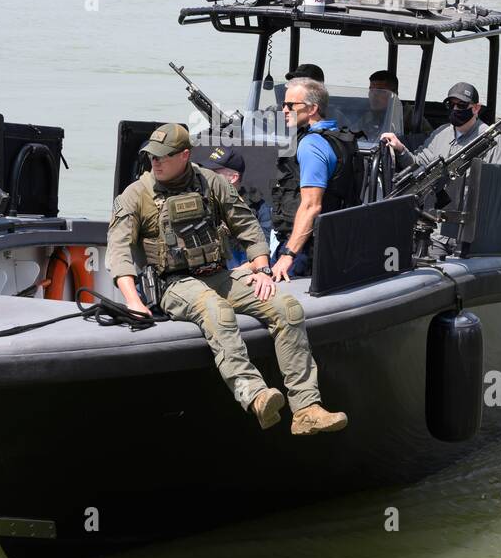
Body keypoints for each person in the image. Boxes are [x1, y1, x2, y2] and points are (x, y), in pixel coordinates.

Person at [107, 123, 347, 435]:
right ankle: (256, 396)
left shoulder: (210, 183)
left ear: (184, 155)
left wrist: (261, 269)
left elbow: (247, 226)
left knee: (287, 309)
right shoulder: (136, 195)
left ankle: (306, 409)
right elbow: (119, 251)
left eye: (163, 156)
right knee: (216, 312)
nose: (156, 162)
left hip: (218, 274)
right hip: (173, 284)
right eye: (152, 156)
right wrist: (133, 301)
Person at [379, 81, 501, 256]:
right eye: (451, 104)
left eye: (462, 105)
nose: (456, 109)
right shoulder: (441, 133)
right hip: (438, 231)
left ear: (476, 108)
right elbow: (419, 164)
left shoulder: (490, 140)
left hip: (471, 233)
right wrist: (400, 149)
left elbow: (498, 190)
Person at [270, 78, 365, 280]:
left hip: (305, 250)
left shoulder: (311, 145)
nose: (284, 110)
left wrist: (288, 254)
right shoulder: (340, 138)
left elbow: (311, 206)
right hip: (336, 242)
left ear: (312, 108)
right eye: (283, 105)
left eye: (290, 105)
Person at [200, 145, 272, 269]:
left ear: (233, 177)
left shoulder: (258, 207)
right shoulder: (204, 203)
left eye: (214, 173)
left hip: (247, 276)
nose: (208, 176)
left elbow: (261, 255)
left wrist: (233, 275)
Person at [349, 69, 399, 139]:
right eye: (371, 90)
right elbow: (351, 135)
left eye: (380, 91)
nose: (374, 95)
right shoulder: (367, 118)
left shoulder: (406, 119)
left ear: (394, 94)